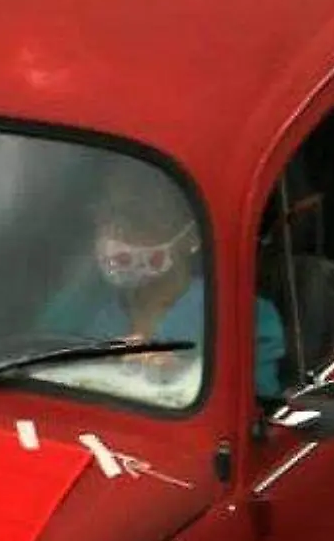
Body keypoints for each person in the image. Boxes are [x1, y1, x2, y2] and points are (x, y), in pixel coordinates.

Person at [37, 169, 288, 399]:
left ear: (191, 236)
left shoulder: (245, 319)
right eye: (107, 215)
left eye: (138, 218)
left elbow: (257, 415)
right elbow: (35, 358)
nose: (115, 233)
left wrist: (185, 377)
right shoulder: (80, 304)